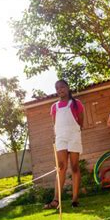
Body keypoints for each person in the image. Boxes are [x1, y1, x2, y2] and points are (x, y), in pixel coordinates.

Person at [44, 79, 84, 209]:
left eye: (62, 87)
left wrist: (75, 132)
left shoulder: (76, 103)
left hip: (74, 136)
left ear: (67, 87)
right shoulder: (54, 107)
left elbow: (81, 122)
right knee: (61, 166)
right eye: (57, 88)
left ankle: (75, 199)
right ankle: (56, 200)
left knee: (75, 167)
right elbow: (55, 124)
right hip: (61, 137)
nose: (60, 90)